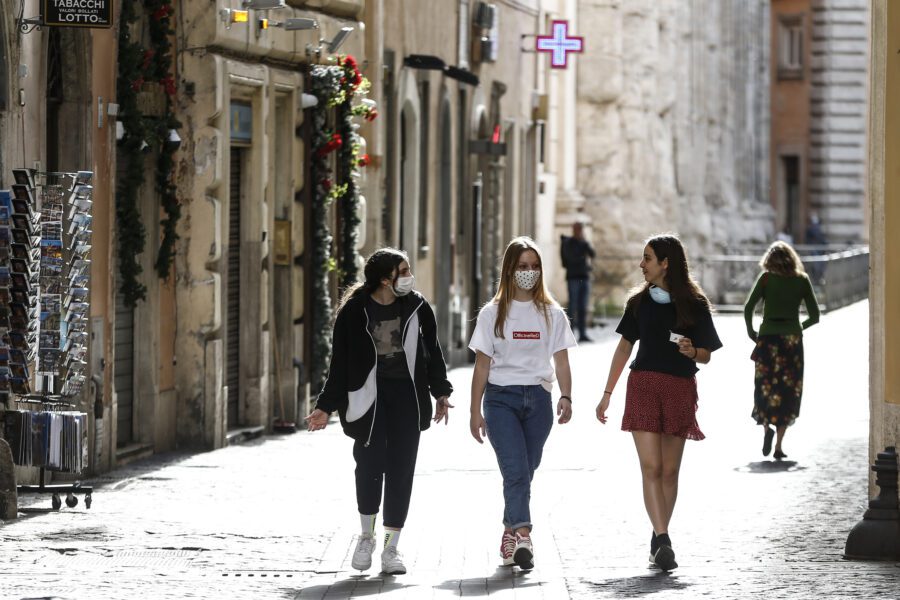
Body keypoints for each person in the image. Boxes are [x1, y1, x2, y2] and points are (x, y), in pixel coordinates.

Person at [305, 248, 454, 576]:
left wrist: (441, 392)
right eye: (404, 271)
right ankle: (366, 537)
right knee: (369, 467)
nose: (409, 276)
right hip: (368, 400)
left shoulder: (416, 306)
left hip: (406, 398)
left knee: (401, 471)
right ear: (386, 279)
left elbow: (432, 352)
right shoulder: (354, 311)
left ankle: (390, 548)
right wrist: (325, 406)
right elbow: (339, 363)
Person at [595, 234, 722, 572]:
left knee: (669, 471)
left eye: (648, 258)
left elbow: (707, 354)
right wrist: (607, 394)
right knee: (651, 467)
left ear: (666, 263)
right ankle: (664, 539)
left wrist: (693, 351)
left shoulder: (695, 303)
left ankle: (657, 536)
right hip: (643, 386)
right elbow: (624, 347)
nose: (642, 264)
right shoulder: (638, 303)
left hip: (680, 388)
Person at [468, 236, 576, 571]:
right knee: (515, 470)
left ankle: (509, 531)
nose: (529, 272)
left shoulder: (552, 313)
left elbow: (561, 361)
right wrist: (474, 411)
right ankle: (524, 536)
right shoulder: (492, 314)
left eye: (534, 266)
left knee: (526, 470)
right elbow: (482, 366)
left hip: (539, 400)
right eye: (522, 266)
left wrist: (566, 395)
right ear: (510, 270)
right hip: (501, 400)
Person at [743, 241, 819, 461]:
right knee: (788, 389)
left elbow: (748, 307)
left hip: (767, 338)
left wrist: (751, 331)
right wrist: (797, 327)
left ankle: (766, 428)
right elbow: (814, 316)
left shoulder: (766, 279)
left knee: (765, 385)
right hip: (791, 342)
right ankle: (778, 445)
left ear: (769, 260)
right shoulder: (802, 280)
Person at [560, 220, 596, 342]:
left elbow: (592, 254)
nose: (579, 231)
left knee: (583, 306)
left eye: (581, 229)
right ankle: (570, 334)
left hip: (584, 277)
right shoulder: (568, 243)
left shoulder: (583, 243)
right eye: (577, 229)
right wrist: (582, 256)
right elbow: (571, 259)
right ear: (573, 229)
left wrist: (585, 242)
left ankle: (582, 334)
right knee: (572, 306)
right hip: (573, 278)